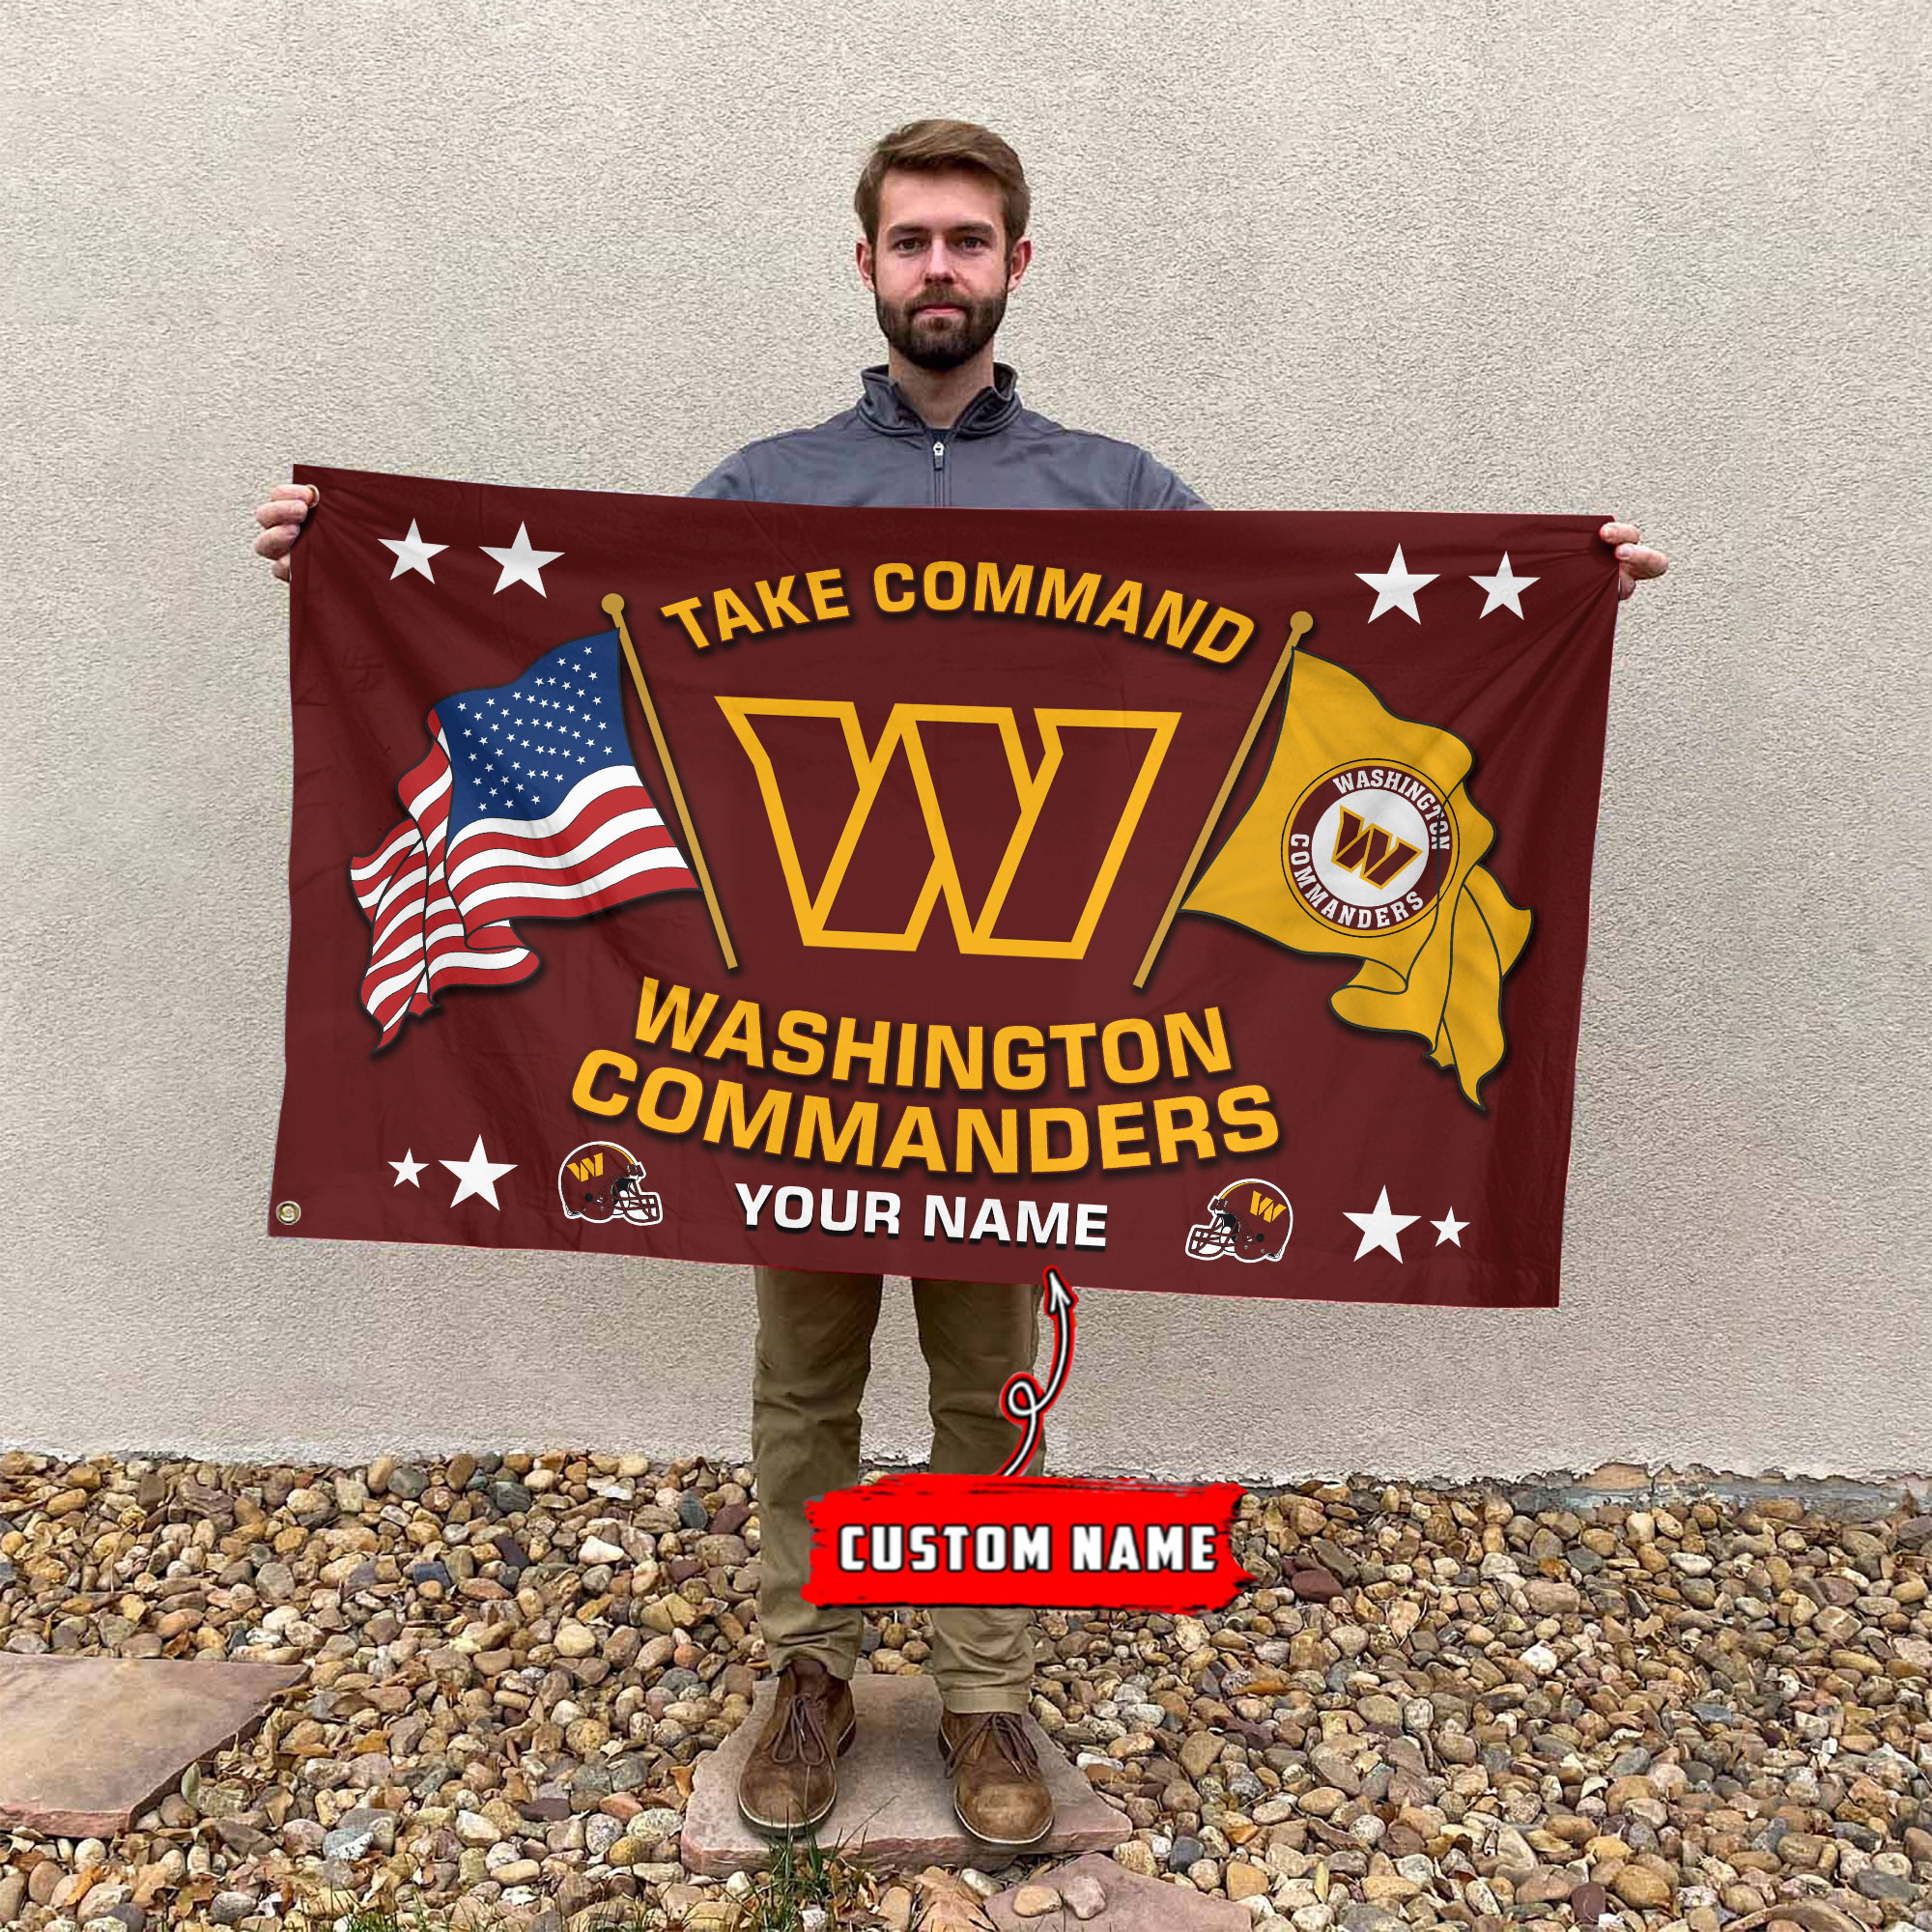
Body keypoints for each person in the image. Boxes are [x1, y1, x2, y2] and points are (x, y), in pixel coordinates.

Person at [250, 119, 1670, 1852]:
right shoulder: (762, 490)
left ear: (1016, 265)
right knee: (805, 1377)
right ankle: (811, 1667)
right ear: (866, 263)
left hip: (1024, 1054)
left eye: (970, 241)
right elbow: (602, 649)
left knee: (988, 1387)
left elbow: (1298, 658)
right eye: (913, 239)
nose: (941, 268)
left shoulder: (1120, 497)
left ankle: (989, 1683)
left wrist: (1558, 596)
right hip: (796, 1048)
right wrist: (346, 562)